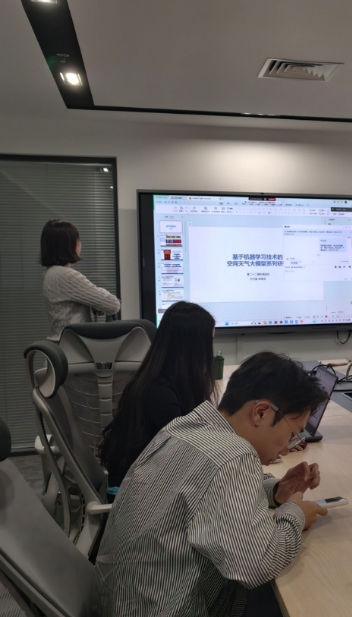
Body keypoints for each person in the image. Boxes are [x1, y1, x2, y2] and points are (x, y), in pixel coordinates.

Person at [94, 351, 331, 617]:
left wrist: (276, 491)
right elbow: (258, 563)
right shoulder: (233, 455)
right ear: (261, 413)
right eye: (291, 434)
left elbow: (204, 489)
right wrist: (296, 514)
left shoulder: (186, 426)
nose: (287, 449)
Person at [99, 301, 216, 488]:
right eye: (208, 342)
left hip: (154, 483)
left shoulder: (163, 382)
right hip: (142, 494)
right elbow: (188, 456)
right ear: (194, 347)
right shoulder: (160, 395)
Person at [41, 219, 120, 339]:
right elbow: (113, 305)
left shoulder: (50, 273)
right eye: (78, 240)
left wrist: (91, 303)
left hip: (62, 342)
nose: (80, 244)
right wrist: (95, 302)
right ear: (69, 245)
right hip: (77, 345)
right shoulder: (66, 276)